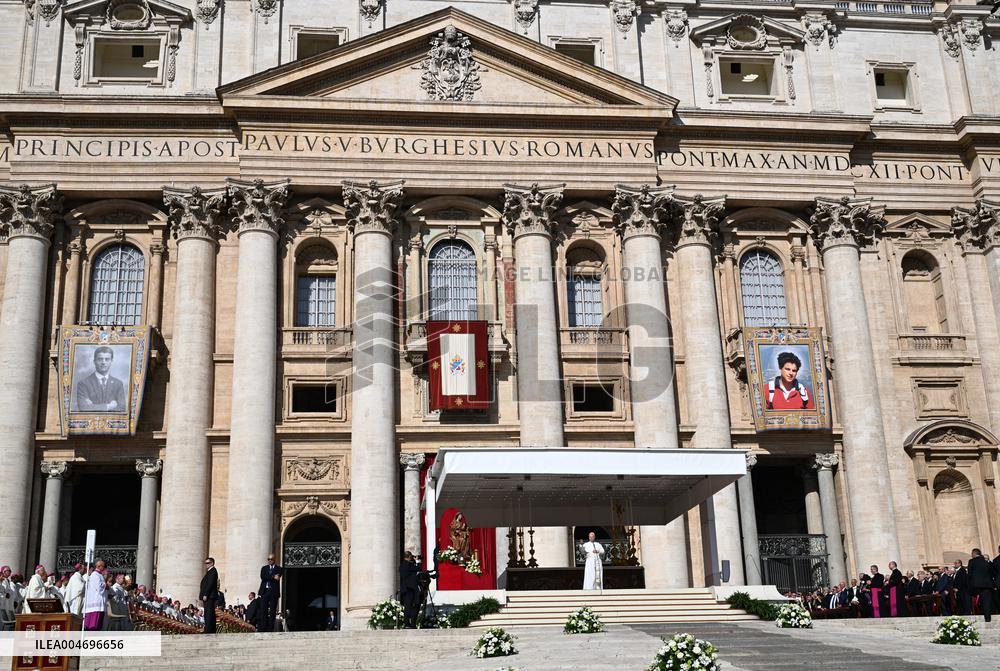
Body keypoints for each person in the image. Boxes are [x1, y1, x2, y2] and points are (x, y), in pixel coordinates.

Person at [73, 346, 127, 413]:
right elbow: (83, 407)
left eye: (107, 359)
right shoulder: (83, 383)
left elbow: (122, 407)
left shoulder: (118, 384)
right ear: (94, 361)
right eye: (100, 359)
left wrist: (93, 406)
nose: (103, 362)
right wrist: (109, 406)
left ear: (111, 361)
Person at [258, 553, 282, 632]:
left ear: (274, 560)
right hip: (264, 591)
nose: (269, 561)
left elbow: (278, 577)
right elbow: (263, 577)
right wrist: (272, 577)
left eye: (271, 559)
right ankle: (263, 628)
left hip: (273, 592)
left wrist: (270, 577)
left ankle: (270, 629)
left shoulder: (279, 568)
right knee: (263, 610)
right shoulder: (264, 568)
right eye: (268, 559)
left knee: (272, 611)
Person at [968, 548, 994, 622]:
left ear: (974, 553)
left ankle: (980, 616)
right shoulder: (986, 562)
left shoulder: (972, 561)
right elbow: (991, 573)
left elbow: (970, 574)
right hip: (987, 584)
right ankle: (987, 617)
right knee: (987, 601)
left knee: (978, 602)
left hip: (976, 585)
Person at [83, 561, 108, 631]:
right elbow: (98, 587)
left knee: (98, 625)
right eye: (103, 566)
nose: (104, 568)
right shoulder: (95, 575)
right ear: (99, 566)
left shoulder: (99, 575)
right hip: (95, 603)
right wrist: (106, 585)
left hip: (99, 603)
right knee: (93, 625)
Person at [399, 551, 419, 629]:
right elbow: (418, 568)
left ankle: (407, 623)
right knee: (412, 606)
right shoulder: (409, 565)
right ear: (409, 557)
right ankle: (409, 624)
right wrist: (417, 561)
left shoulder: (402, 565)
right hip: (410, 589)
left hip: (405, 589)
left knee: (407, 606)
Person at [200, 557, 219, 634]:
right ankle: (210, 629)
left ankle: (208, 630)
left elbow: (210, 584)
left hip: (209, 596)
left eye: (208, 563)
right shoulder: (210, 571)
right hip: (209, 595)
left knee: (209, 613)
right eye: (205, 563)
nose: (206, 565)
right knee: (209, 612)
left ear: (212, 563)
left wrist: (205, 594)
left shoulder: (212, 571)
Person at [0, 567, 15, 631]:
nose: (9, 572)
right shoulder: (3, 581)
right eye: (8, 571)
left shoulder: (6, 580)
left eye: (10, 571)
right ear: (3, 572)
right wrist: (6, 595)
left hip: (6, 603)